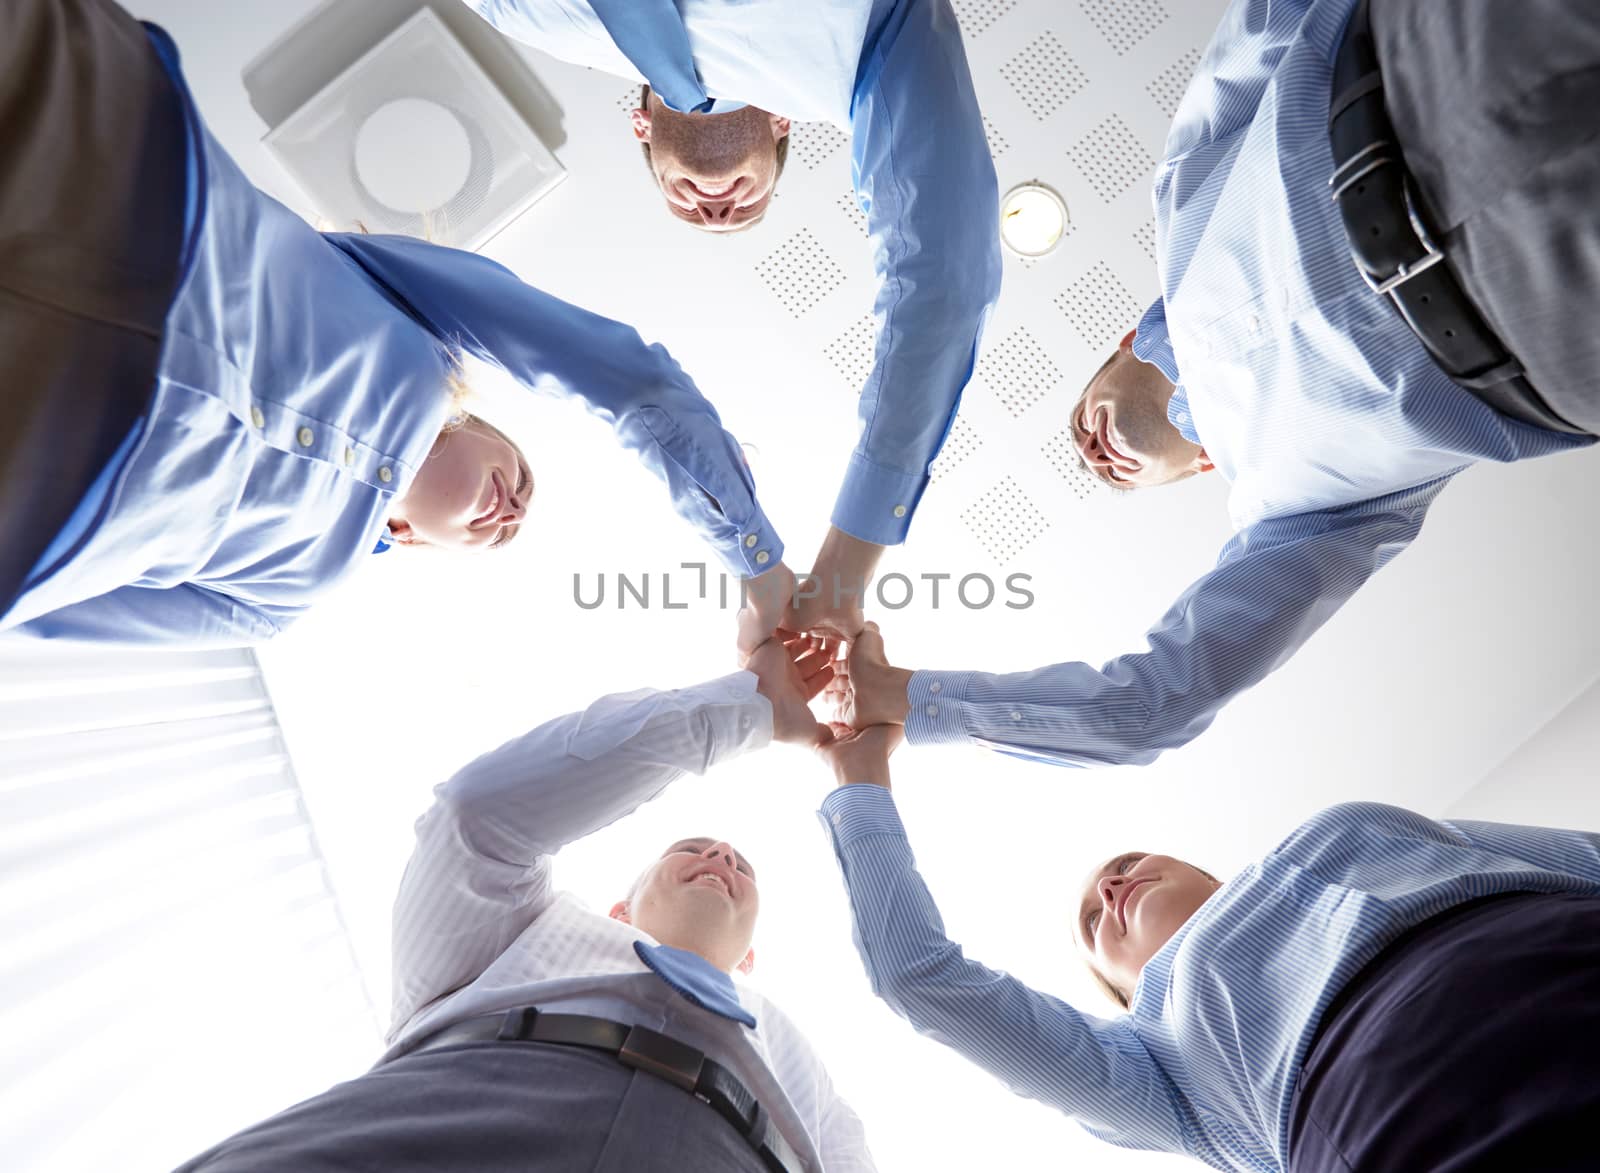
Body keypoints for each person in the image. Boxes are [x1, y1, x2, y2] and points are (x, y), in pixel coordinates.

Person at [830, 0, 1599, 766]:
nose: (1095, 456)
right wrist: (902, 695)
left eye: (1079, 425)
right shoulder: (1294, 519)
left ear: (1126, 340)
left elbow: (1274, 16)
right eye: (1113, 477)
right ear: (1195, 470)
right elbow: (1150, 705)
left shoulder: (1181, 194)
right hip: (1563, 328)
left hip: (1444, 59)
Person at [1, 0, 786, 646]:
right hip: (100, 155)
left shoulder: (280, 599)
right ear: (474, 421)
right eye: (523, 481)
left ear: (413, 540)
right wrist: (759, 566)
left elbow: (53, 612)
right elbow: (623, 378)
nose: (510, 509)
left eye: (501, 530)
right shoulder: (419, 330)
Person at [177, 634, 875, 1172]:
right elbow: (476, 816)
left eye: (738, 863)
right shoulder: (517, 931)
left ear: (749, 957)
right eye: (692, 847)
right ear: (620, 911)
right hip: (449, 1118)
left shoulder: (805, 1068)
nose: (721, 855)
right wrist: (747, 706)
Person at [814, 721, 1600, 1171]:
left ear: (1202, 870)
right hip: (1397, 1123)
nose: (1113, 889)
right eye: (1096, 920)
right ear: (1120, 993)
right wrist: (859, 778)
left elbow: (1585, 860)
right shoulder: (1149, 1064)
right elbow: (919, 976)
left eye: (1123, 868)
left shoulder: (1347, 826)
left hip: (1557, 951)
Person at [459, 0, 1003, 648]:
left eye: (683, 203)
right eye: (748, 205)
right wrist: (842, 580)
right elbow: (944, 280)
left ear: (643, 126)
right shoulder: (880, 45)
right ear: (781, 123)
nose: (715, 213)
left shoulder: (526, 13)